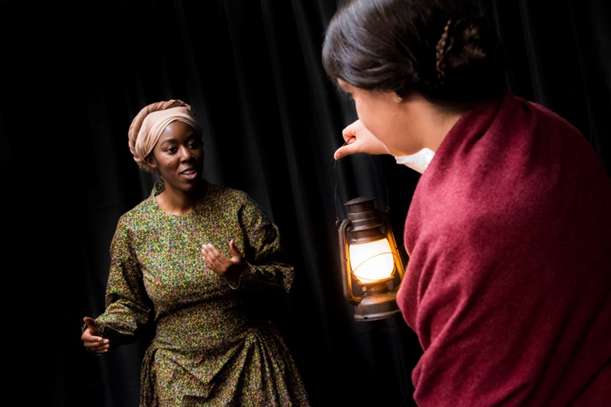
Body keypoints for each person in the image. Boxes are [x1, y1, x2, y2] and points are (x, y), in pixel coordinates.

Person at [323, 0, 611, 405]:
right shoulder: (541, 126)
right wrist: (400, 143)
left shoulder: (461, 226)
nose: (357, 110)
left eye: (353, 94)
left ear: (392, 90)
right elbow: (489, 180)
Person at [81, 100, 309, 406]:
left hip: (248, 363)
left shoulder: (236, 206)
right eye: (171, 149)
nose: (187, 155)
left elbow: (285, 276)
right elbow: (130, 305)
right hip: (177, 375)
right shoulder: (134, 227)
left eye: (192, 144)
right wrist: (103, 328)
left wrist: (243, 275)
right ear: (151, 160)